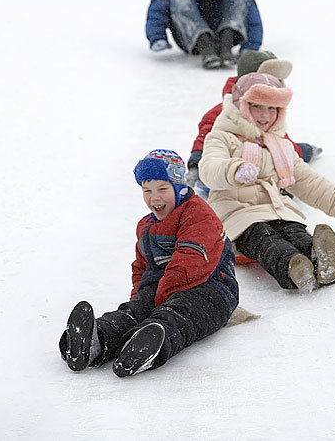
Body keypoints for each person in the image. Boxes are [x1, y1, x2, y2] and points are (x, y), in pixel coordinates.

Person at [198, 72, 335, 292]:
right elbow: (209, 168)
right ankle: (296, 271)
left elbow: (314, 185)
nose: (265, 115)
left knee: (297, 234)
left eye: (272, 109)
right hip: (238, 215)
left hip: (280, 210)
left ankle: (327, 262)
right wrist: (234, 170)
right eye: (257, 107)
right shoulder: (222, 137)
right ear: (241, 106)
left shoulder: (281, 146)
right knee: (267, 241)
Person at [59, 149, 239, 377]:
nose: (154, 198)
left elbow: (190, 263)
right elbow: (141, 268)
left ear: (178, 187)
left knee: (177, 316)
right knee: (133, 312)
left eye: (163, 189)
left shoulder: (199, 215)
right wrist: (140, 300)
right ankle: (96, 340)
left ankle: (147, 346)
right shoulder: (146, 226)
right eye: (147, 191)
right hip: (162, 289)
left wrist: (158, 301)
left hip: (212, 290)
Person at [186, 49, 322, 192]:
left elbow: (284, 144)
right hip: (231, 174)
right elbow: (208, 140)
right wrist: (196, 165)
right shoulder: (224, 113)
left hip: (262, 170)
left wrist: (305, 151)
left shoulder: (270, 114)